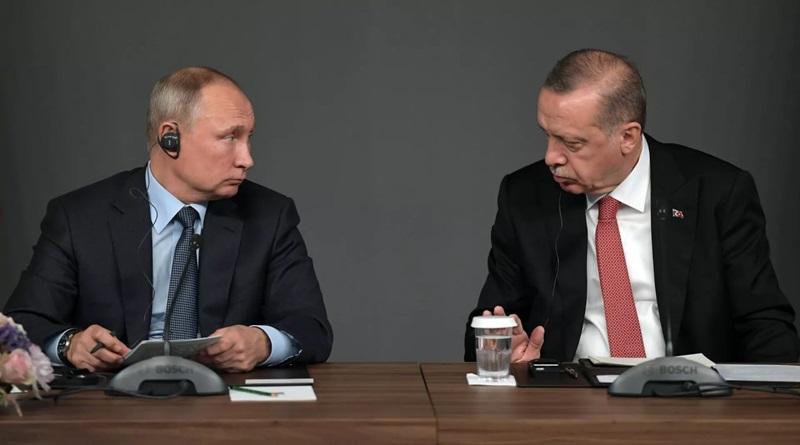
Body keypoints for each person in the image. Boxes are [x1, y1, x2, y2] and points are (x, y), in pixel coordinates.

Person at [465, 49, 799, 364]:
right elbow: (487, 324)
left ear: (627, 136)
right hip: (569, 394)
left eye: (572, 143)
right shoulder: (525, 196)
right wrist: (501, 348)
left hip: (689, 392)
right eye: (547, 135)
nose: (551, 157)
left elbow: (765, 324)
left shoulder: (717, 192)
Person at [4, 67, 333, 372]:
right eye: (230, 137)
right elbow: (21, 324)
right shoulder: (78, 217)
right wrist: (69, 344)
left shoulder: (270, 215)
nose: (247, 159)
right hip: (112, 400)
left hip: (226, 399)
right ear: (170, 138)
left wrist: (263, 343)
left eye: (249, 137)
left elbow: (312, 329)